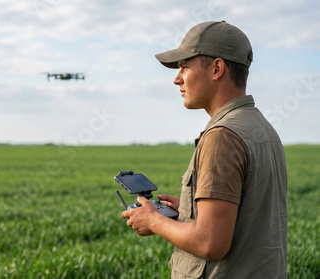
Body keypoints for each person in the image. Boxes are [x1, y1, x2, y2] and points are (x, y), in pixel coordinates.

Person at [121, 21, 288, 278]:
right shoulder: (260, 127)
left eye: (184, 66)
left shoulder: (223, 136)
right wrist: (187, 213)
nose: (177, 78)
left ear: (217, 69)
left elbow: (210, 243)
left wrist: (155, 221)